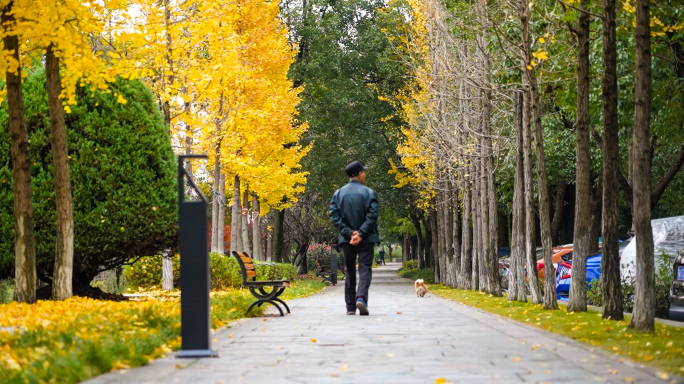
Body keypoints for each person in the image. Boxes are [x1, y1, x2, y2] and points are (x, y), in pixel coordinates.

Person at [329, 161, 379, 316]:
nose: (365, 175)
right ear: (359, 174)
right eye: (364, 172)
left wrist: (350, 233)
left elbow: (334, 216)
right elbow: (372, 215)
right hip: (367, 238)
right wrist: (361, 233)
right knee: (364, 269)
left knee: (350, 271)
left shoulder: (338, 194)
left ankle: (350, 307)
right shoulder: (369, 193)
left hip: (346, 240)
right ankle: (361, 299)